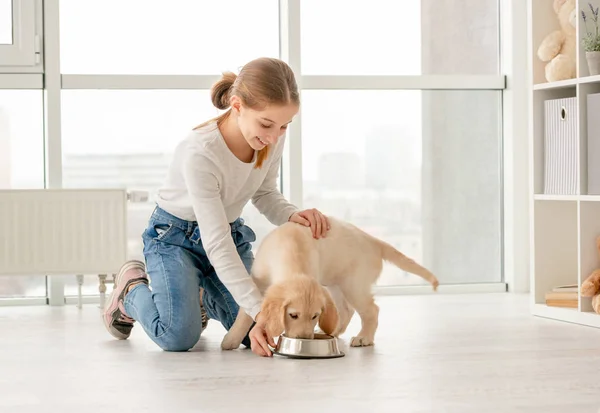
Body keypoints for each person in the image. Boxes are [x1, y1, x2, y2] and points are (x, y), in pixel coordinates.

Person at [102, 57, 329, 357]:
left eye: (285, 125)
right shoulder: (200, 152)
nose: (274, 136)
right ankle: (131, 289)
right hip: (175, 239)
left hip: (228, 236)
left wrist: (290, 214)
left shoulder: (270, 138)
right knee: (178, 336)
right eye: (266, 124)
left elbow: (264, 192)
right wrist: (259, 310)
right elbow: (216, 242)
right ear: (237, 106)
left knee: (259, 332)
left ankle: (199, 297)